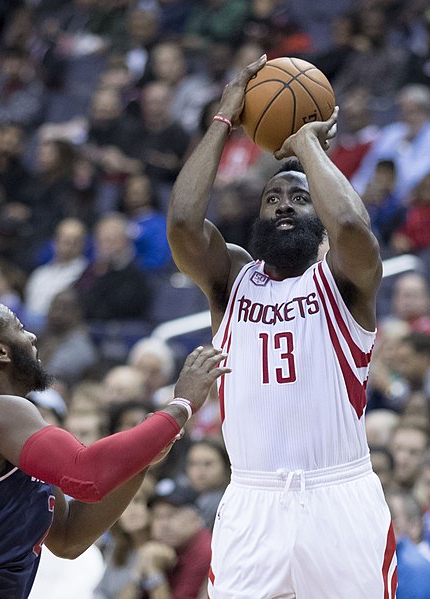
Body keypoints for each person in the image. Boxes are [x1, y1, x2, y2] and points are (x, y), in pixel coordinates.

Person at [167, 54, 396, 597]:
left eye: (299, 197)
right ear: (257, 215)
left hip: (339, 495)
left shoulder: (344, 281)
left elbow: (349, 225)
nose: (285, 206)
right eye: (273, 199)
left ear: (317, 216)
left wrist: (307, 147)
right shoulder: (232, 280)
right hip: (253, 499)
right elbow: (181, 223)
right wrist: (225, 117)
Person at [0, 298, 230, 598]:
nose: (32, 336)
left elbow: (70, 539)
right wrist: (182, 404)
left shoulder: (9, 427)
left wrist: (140, 463)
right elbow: (86, 473)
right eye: (21, 329)